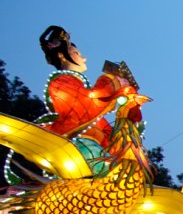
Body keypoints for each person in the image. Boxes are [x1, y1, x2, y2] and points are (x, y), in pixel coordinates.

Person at [35, 26, 136, 175]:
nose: (83, 58)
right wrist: (112, 83)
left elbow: (104, 127)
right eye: (77, 53)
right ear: (62, 56)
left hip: (96, 150)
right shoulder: (61, 82)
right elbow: (84, 109)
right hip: (78, 149)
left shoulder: (80, 86)